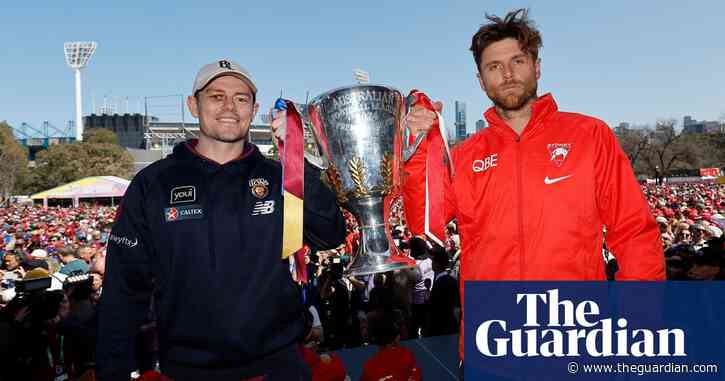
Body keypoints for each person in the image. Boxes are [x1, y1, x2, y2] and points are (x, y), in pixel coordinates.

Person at [402, 8, 665, 367]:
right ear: (481, 81)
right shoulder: (464, 156)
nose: (507, 74)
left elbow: (634, 233)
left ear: (536, 67)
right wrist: (420, 151)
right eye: (494, 67)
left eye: (517, 61)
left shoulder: (589, 135)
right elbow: (424, 226)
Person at [96, 59, 346, 381]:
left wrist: (296, 159)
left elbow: (330, 233)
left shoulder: (279, 177)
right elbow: (123, 291)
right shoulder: (152, 184)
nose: (230, 107)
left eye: (241, 99)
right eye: (216, 96)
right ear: (193, 105)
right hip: (190, 371)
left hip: (278, 367)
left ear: (254, 109)